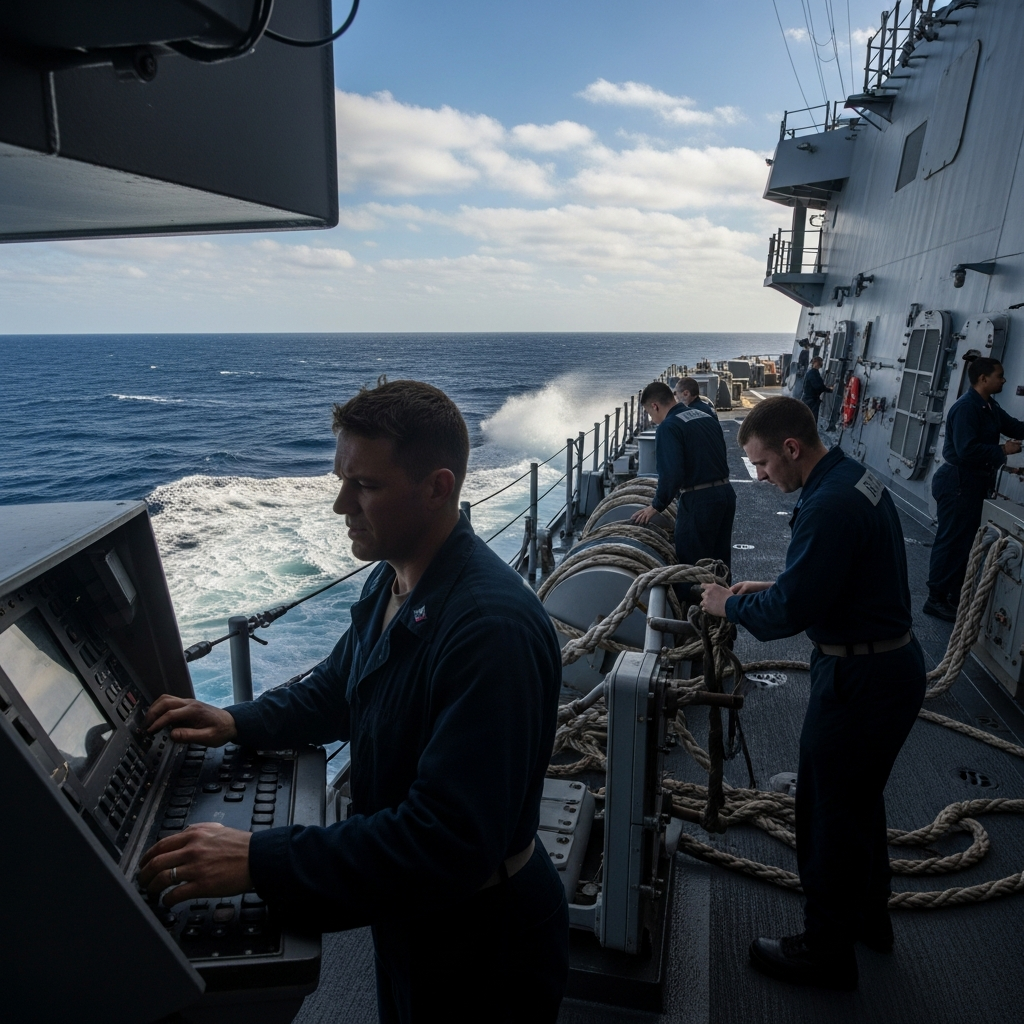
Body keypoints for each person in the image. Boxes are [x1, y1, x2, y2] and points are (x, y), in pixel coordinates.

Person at [138, 379, 568, 1023]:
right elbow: (341, 685)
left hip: (482, 945)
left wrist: (259, 859)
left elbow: (445, 842)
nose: (341, 504)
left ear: (437, 487)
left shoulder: (488, 632)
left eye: (364, 486)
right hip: (416, 921)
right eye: (341, 479)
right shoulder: (394, 578)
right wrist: (235, 720)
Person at [700, 396, 925, 992]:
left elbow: (791, 612)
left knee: (824, 815)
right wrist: (771, 583)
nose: (761, 477)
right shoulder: (855, 479)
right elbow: (837, 576)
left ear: (792, 449)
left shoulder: (825, 506)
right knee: (858, 806)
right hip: (890, 665)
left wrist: (732, 603)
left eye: (763, 464)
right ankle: (869, 922)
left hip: (858, 682)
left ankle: (826, 950)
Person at [925, 357, 1024, 621]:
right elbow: (966, 450)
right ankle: (934, 599)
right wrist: (1003, 449)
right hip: (958, 482)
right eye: (1000, 376)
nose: (1003, 380)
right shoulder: (967, 408)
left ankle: (953, 596)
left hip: (972, 483)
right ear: (983, 379)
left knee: (965, 542)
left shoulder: (988, 406)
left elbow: (1015, 427)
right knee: (951, 541)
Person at [631, 380, 735, 566]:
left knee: (692, 566)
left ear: (654, 406)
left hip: (699, 501)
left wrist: (656, 506)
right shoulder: (704, 415)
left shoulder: (668, 427)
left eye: (649, 413)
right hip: (726, 494)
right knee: (720, 564)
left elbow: (671, 474)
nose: (652, 420)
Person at [801, 356, 831, 421]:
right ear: (814, 363)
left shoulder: (813, 373)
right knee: (812, 418)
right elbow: (818, 386)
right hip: (810, 400)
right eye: (819, 363)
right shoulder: (813, 373)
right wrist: (829, 389)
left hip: (809, 399)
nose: (820, 365)